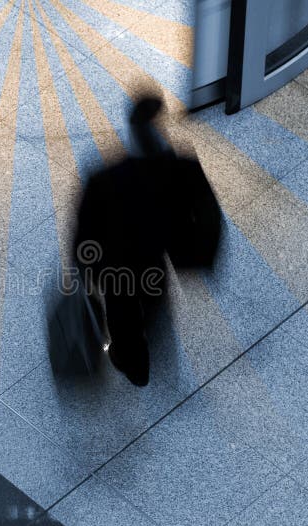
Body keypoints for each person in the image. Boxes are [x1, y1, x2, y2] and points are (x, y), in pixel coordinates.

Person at [72, 96, 221, 386]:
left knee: (121, 313)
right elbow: (208, 216)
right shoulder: (182, 171)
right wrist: (200, 257)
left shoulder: (104, 179)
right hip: (155, 258)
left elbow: (85, 232)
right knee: (153, 299)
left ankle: (133, 364)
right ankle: (147, 338)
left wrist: (83, 270)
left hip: (116, 266)